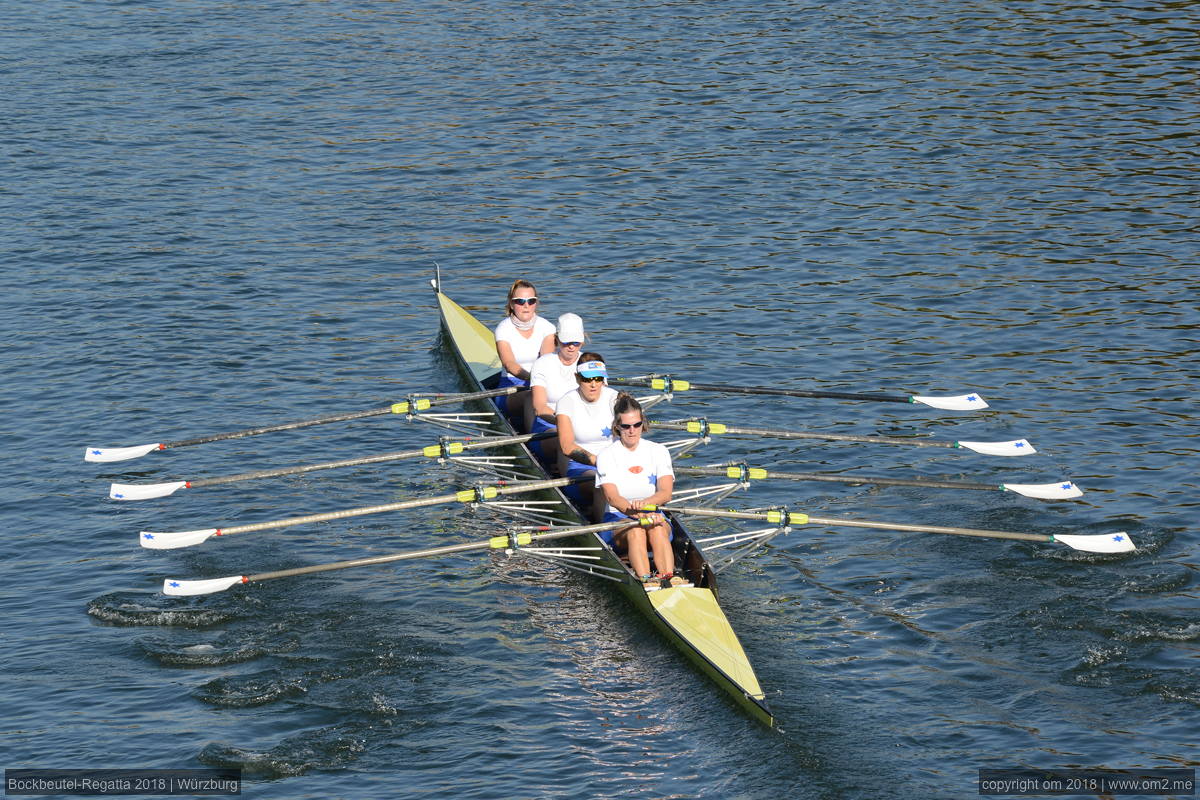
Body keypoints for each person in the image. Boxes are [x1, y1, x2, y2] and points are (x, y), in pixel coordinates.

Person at [595, 393, 684, 587]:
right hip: (618, 520)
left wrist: (646, 506)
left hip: (654, 516)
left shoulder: (659, 451)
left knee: (658, 528)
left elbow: (665, 493)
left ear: (643, 423)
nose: (632, 430)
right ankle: (645, 581)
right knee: (636, 531)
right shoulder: (606, 456)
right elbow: (612, 497)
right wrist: (636, 514)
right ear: (617, 426)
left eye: (636, 424)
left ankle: (668, 578)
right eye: (626, 426)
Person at [555, 354, 618, 520]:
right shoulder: (567, 402)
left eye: (598, 379)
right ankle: (600, 529)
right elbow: (567, 446)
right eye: (587, 379)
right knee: (601, 484)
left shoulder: (615, 398)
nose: (593, 384)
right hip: (580, 468)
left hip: (616, 465)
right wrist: (599, 462)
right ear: (577, 378)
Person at [493, 280, 556, 423]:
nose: (526, 305)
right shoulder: (503, 329)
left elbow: (546, 361)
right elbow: (509, 364)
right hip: (511, 387)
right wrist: (533, 379)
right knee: (531, 396)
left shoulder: (547, 327)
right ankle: (533, 440)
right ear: (511, 304)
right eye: (520, 301)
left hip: (539, 383)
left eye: (531, 301)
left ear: (536, 303)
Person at [527, 313, 587, 462]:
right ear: (558, 339)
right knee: (565, 440)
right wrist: (567, 424)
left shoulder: (590, 362)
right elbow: (540, 408)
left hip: (584, 425)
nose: (572, 346)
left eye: (576, 342)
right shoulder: (543, 363)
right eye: (567, 342)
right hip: (548, 425)